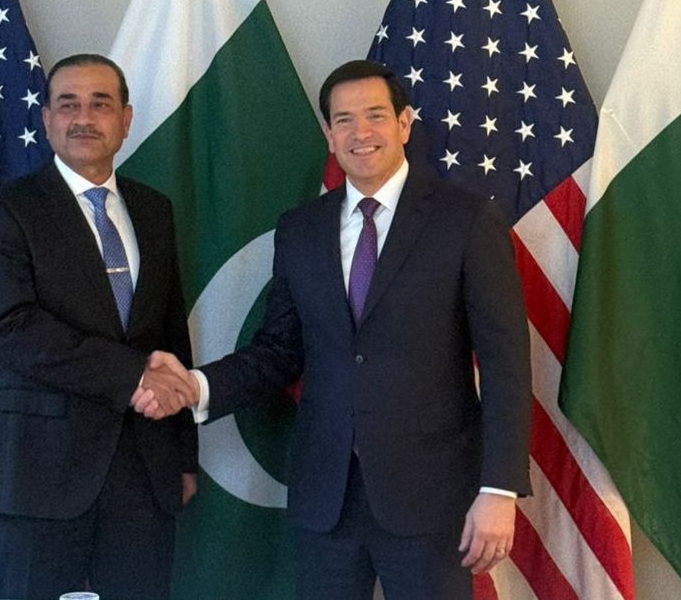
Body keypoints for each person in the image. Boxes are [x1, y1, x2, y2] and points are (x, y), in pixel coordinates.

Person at [137, 59, 531, 600]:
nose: (360, 132)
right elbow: (278, 351)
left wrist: (499, 488)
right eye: (344, 120)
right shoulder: (301, 229)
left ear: (404, 123)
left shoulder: (465, 220)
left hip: (432, 499)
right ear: (328, 134)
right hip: (326, 502)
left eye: (375, 115)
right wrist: (195, 386)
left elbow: (507, 365)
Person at [0, 53, 197, 600]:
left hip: (145, 468)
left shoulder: (154, 209)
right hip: (40, 468)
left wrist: (183, 454)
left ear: (126, 119)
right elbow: (10, 327)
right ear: (47, 119)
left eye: (101, 104)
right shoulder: (8, 210)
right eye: (68, 104)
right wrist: (133, 376)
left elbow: (171, 335)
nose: (84, 118)